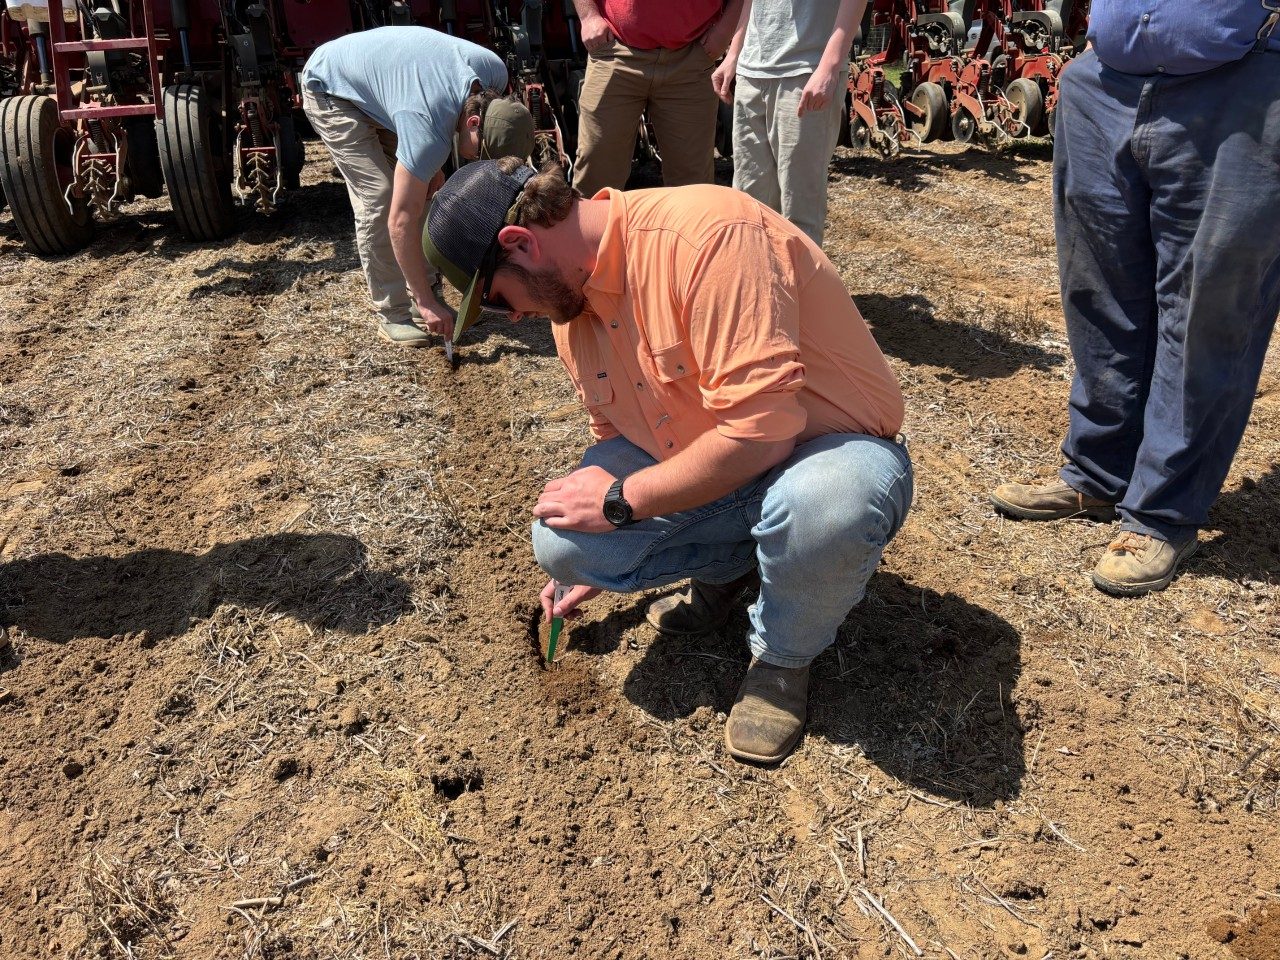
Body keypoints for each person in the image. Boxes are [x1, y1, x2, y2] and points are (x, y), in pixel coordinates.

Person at [422, 158, 913, 764]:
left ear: (520, 244)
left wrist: (619, 503)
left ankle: (783, 658)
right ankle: (733, 568)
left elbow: (763, 433)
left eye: (498, 302)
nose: (513, 318)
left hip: (829, 451)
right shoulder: (572, 311)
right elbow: (617, 432)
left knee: (825, 506)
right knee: (565, 543)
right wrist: (599, 542)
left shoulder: (706, 237)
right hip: (723, 465)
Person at [991, 3, 1280, 596]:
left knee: (1204, 312)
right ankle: (1098, 473)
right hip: (1106, 80)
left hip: (1240, 85)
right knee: (1098, 296)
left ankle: (1162, 512)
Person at [301, 26, 534, 347]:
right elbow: (399, 220)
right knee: (382, 200)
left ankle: (422, 290)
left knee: (425, 186)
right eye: (481, 154)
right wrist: (427, 303)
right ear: (474, 122)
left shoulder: (494, 72)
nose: (478, 163)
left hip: (392, 89)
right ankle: (395, 313)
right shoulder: (428, 125)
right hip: (332, 86)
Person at [713, 0, 866, 246]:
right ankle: (760, 282)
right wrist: (734, 54)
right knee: (750, 204)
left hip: (805, 71)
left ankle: (799, 284)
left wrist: (828, 67)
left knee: (799, 211)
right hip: (752, 72)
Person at [570, 0, 743, 195]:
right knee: (596, 171)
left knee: (693, 188)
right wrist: (588, 16)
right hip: (616, 52)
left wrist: (724, 32)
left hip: (690, 58)